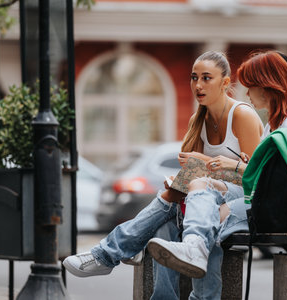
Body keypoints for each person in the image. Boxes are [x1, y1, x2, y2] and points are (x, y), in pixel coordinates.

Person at [62, 51, 264, 298]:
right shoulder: (197, 121)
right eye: (193, 77)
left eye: (206, 78)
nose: (198, 85)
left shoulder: (241, 115)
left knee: (191, 200)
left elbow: (255, 179)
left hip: (240, 199)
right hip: (204, 196)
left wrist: (207, 164)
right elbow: (194, 177)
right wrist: (191, 174)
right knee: (165, 226)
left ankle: (107, 254)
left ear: (224, 82)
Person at [147, 50, 287, 288]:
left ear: (268, 86)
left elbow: (285, 182)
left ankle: (161, 249)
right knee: (182, 211)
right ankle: (156, 246)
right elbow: (269, 176)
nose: (247, 94)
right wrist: (243, 167)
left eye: (251, 86)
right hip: (271, 205)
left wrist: (237, 167)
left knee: (209, 212)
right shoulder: (276, 125)